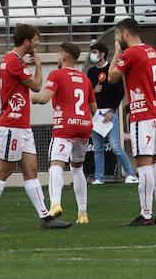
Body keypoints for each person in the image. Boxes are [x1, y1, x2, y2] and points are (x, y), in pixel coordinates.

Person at [0, 24, 72, 231]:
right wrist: (39, 65)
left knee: (31, 170)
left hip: (21, 124)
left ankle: (45, 218)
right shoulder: (13, 60)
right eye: (36, 40)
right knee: (5, 170)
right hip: (12, 124)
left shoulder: (13, 60)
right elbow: (37, 86)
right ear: (27, 41)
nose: (38, 44)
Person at [108, 17, 156, 226]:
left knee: (142, 165)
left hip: (142, 114)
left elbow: (112, 76)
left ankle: (145, 214)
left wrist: (117, 50)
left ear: (125, 33)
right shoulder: (151, 50)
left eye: (117, 35)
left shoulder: (131, 52)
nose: (117, 39)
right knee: (155, 162)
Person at [30, 42, 95, 223]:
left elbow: (44, 98)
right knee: (77, 169)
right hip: (84, 127)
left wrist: (32, 98)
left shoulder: (57, 74)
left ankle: (55, 204)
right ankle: (83, 214)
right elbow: (94, 107)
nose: (58, 57)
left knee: (56, 165)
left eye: (59, 54)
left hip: (65, 127)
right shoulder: (84, 78)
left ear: (64, 57)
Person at [85, 42, 137, 184]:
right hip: (96, 113)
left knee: (115, 146)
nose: (93, 55)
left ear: (102, 53)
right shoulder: (90, 72)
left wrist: (112, 111)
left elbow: (120, 93)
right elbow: (88, 94)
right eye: (92, 52)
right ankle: (99, 177)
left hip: (110, 112)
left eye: (95, 52)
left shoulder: (113, 70)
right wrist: (94, 91)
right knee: (98, 148)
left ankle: (131, 174)